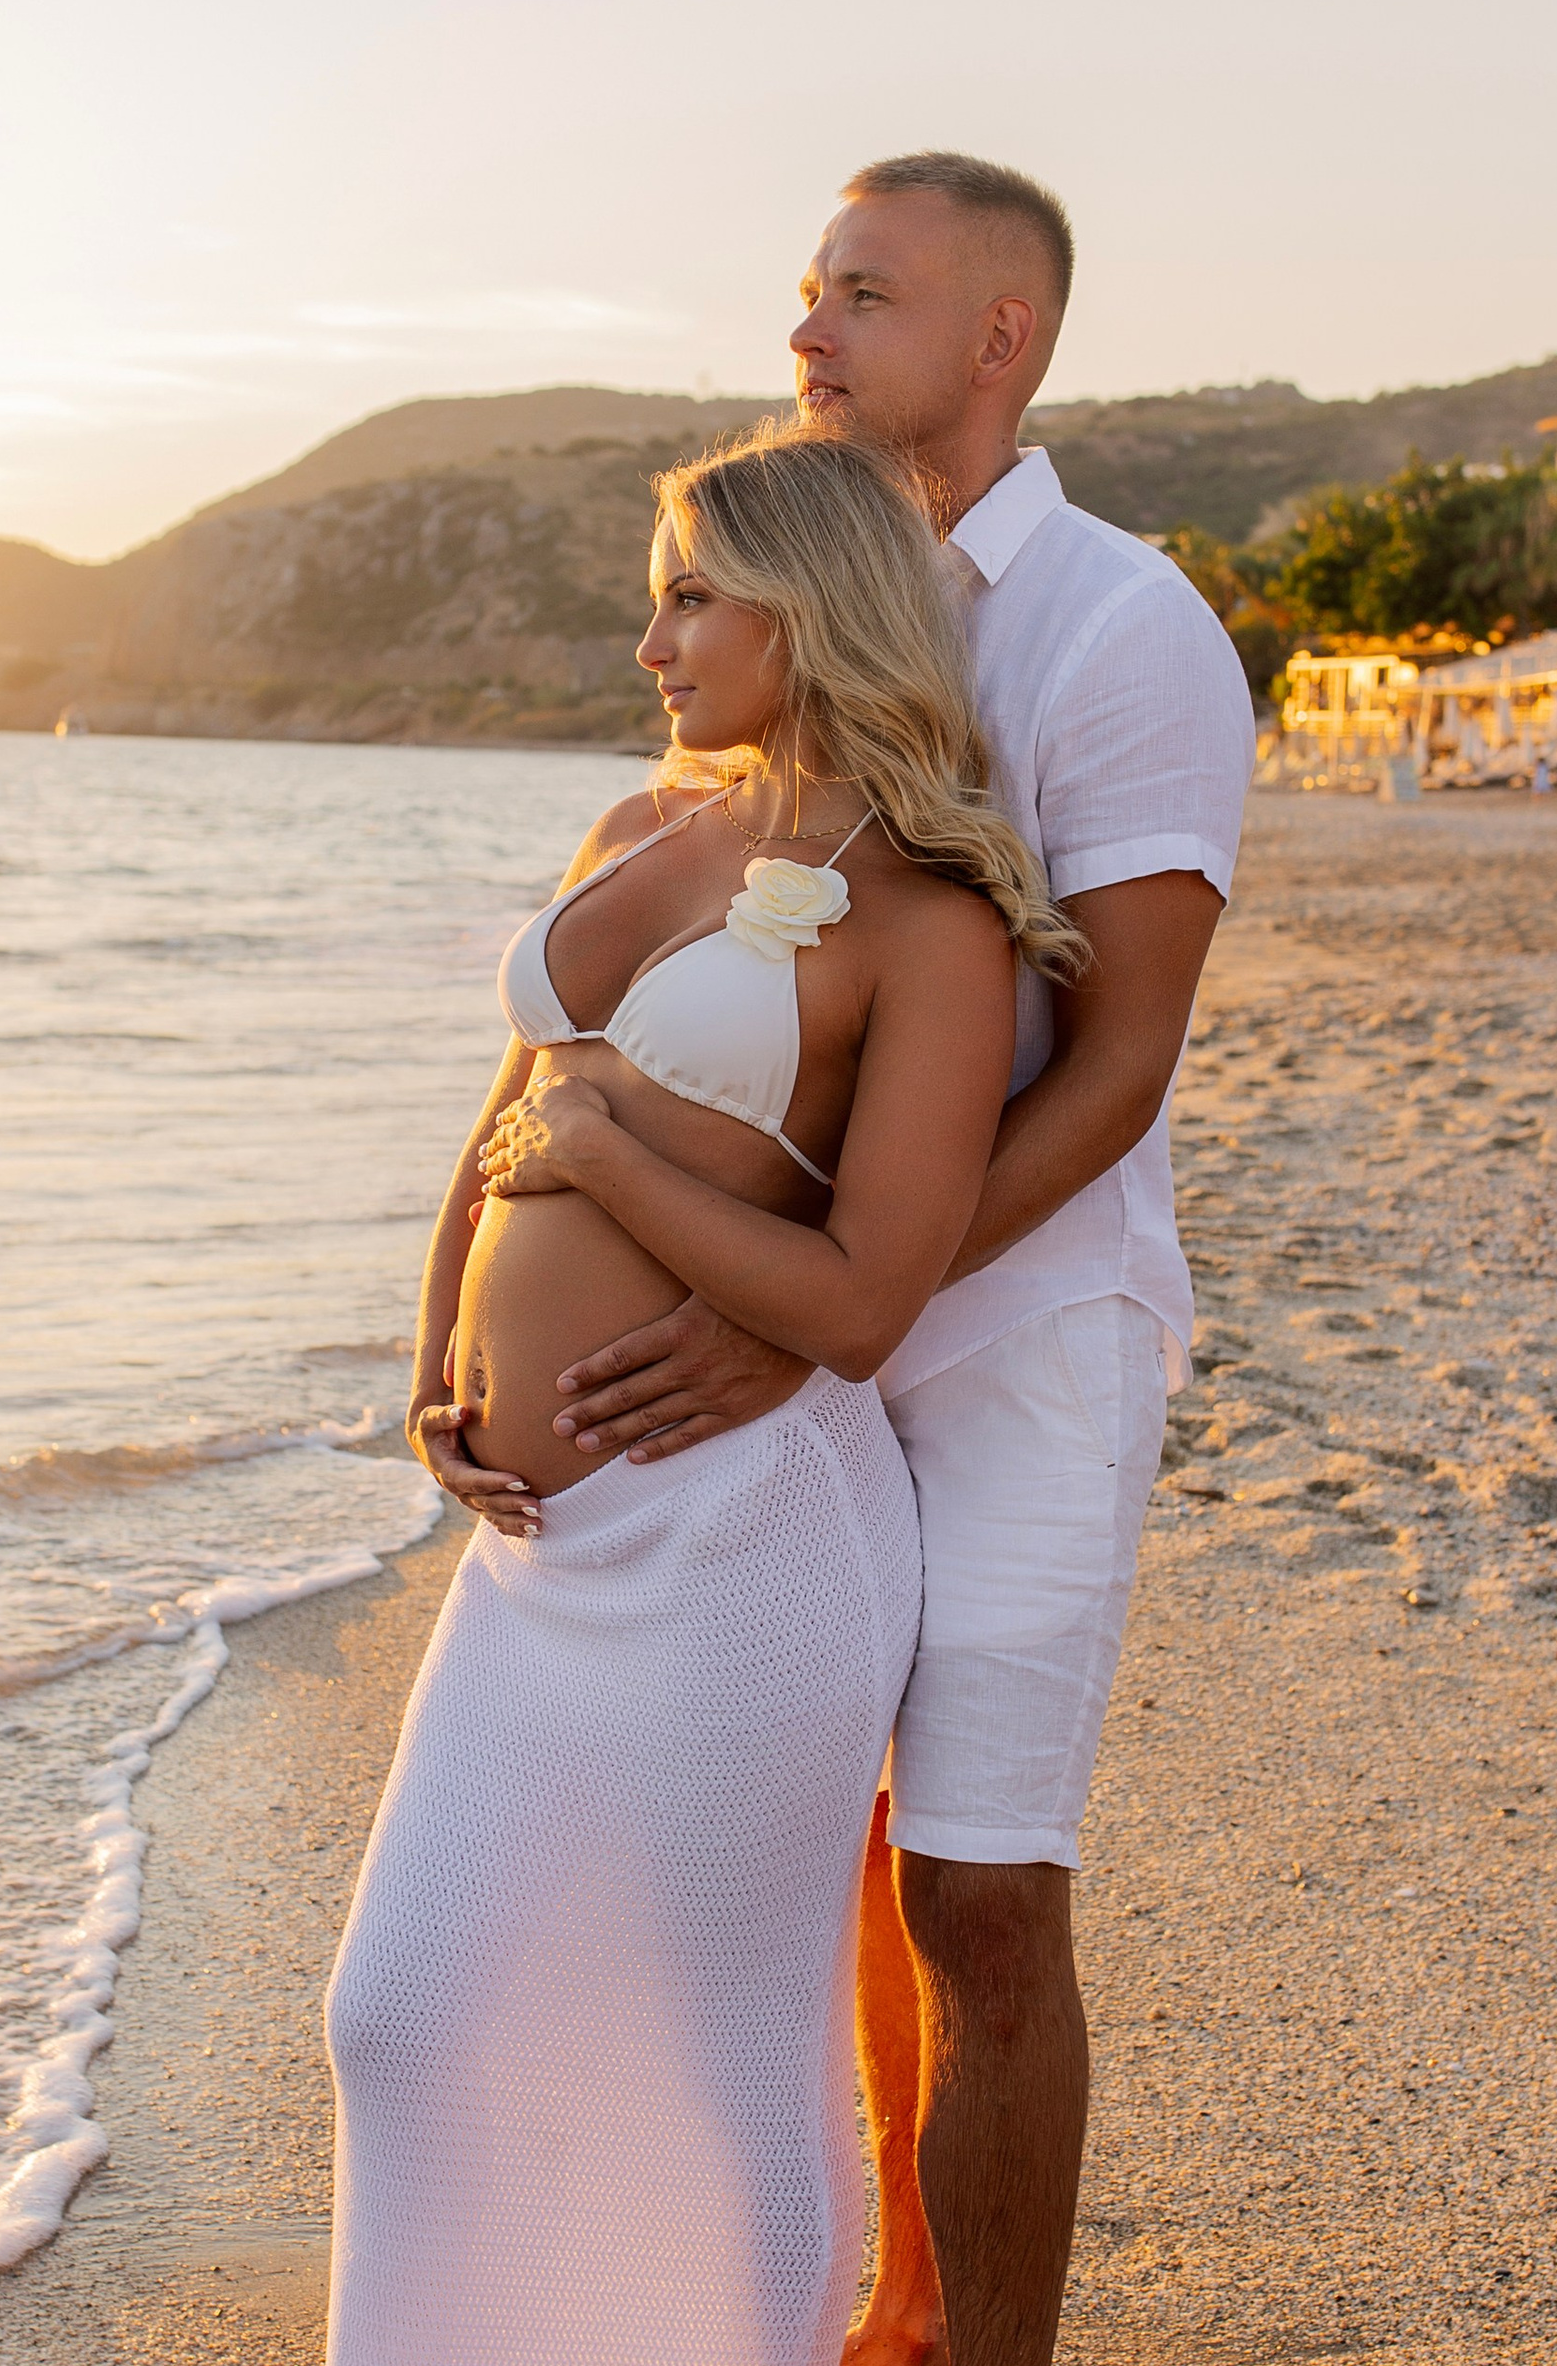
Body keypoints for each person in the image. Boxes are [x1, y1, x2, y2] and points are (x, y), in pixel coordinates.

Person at [424, 154, 1255, 2366]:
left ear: (999, 337)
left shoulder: (1111, 621)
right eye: (803, 292)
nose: (804, 335)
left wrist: (809, 1314)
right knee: (827, 1848)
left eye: (860, 298)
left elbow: (1118, 1069)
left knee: (975, 1880)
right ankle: (862, 2298)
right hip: (788, 1324)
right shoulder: (793, 592)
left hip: (1013, 1334)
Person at [327, 423, 1090, 2366]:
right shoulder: (634, 830)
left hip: (741, 1538)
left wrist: (610, 1158)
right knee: (403, 2011)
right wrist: (437, 1353)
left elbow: (861, 1294)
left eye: (688, 592)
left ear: (808, 610)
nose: (650, 636)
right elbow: (516, 1106)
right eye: (653, 591)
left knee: (711, 2048)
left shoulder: (928, 918)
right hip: (537, 1549)